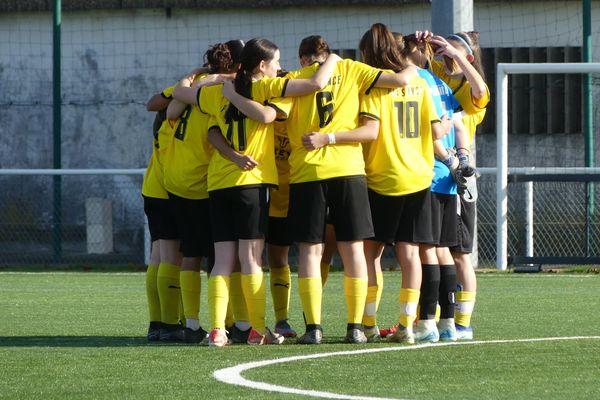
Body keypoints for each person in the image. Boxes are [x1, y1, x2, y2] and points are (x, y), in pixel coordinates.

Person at [173, 37, 340, 346]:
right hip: (251, 183)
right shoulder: (265, 88)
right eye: (276, 62)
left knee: (222, 260)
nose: (279, 68)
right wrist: (335, 59)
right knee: (251, 259)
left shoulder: (215, 94)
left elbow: (183, 97)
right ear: (262, 66)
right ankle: (257, 329)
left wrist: (214, 80)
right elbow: (311, 87)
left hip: (219, 183)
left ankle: (216, 330)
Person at [357, 23, 446, 343]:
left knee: (371, 254)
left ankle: (367, 322)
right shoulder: (419, 83)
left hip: (381, 177)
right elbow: (437, 133)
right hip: (419, 177)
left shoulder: (371, 86)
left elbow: (370, 131)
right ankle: (407, 325)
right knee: (410, 254)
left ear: (367, 53)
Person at [162, 40, 244, 343]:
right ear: (236, 65)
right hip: (203, 181)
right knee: (225, 256)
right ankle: (233, 323)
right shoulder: (220, 92)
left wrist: (201, 74)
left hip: (177, 179)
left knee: (191, 254)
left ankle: (193, 323)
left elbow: (171, 109)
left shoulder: (193, 87)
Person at [428, 32, 490, 340]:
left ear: (466, 58)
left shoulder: (470, 87)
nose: (442, 59)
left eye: (449, 55)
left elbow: (480, 89)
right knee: (438, 250)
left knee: (460, 253)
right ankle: (439, 315)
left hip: (457, 177)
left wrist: (460, 56)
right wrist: (427, 42)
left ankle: (463, 322)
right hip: (435, 175)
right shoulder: (440, 73)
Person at [143, 85, 183, 342]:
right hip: (168, 192)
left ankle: (156, 323)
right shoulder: (172, 125)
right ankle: (169, 324)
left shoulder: (161, 122)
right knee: (170, 257)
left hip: (152, 189)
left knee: (158, 256)